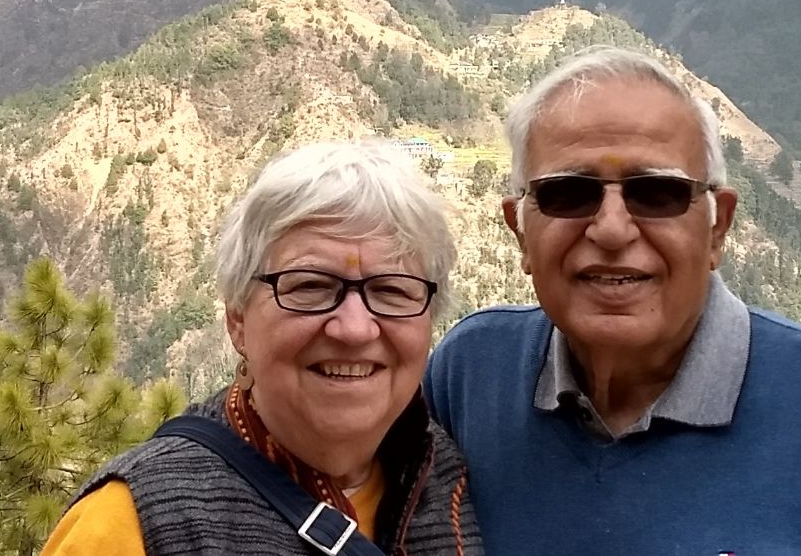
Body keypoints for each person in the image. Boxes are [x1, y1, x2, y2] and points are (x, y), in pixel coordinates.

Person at [423, 46, 801, 555]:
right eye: (567, 193)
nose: (611, 229)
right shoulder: (471, 377)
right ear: (520, 232)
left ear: (717, 228)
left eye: (657, 193)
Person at [43, 141, 485, 555]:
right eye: (310, 286)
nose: (354, 329)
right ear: (237, 320)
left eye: (392, 290)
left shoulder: (448, 477)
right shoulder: (133, 524)